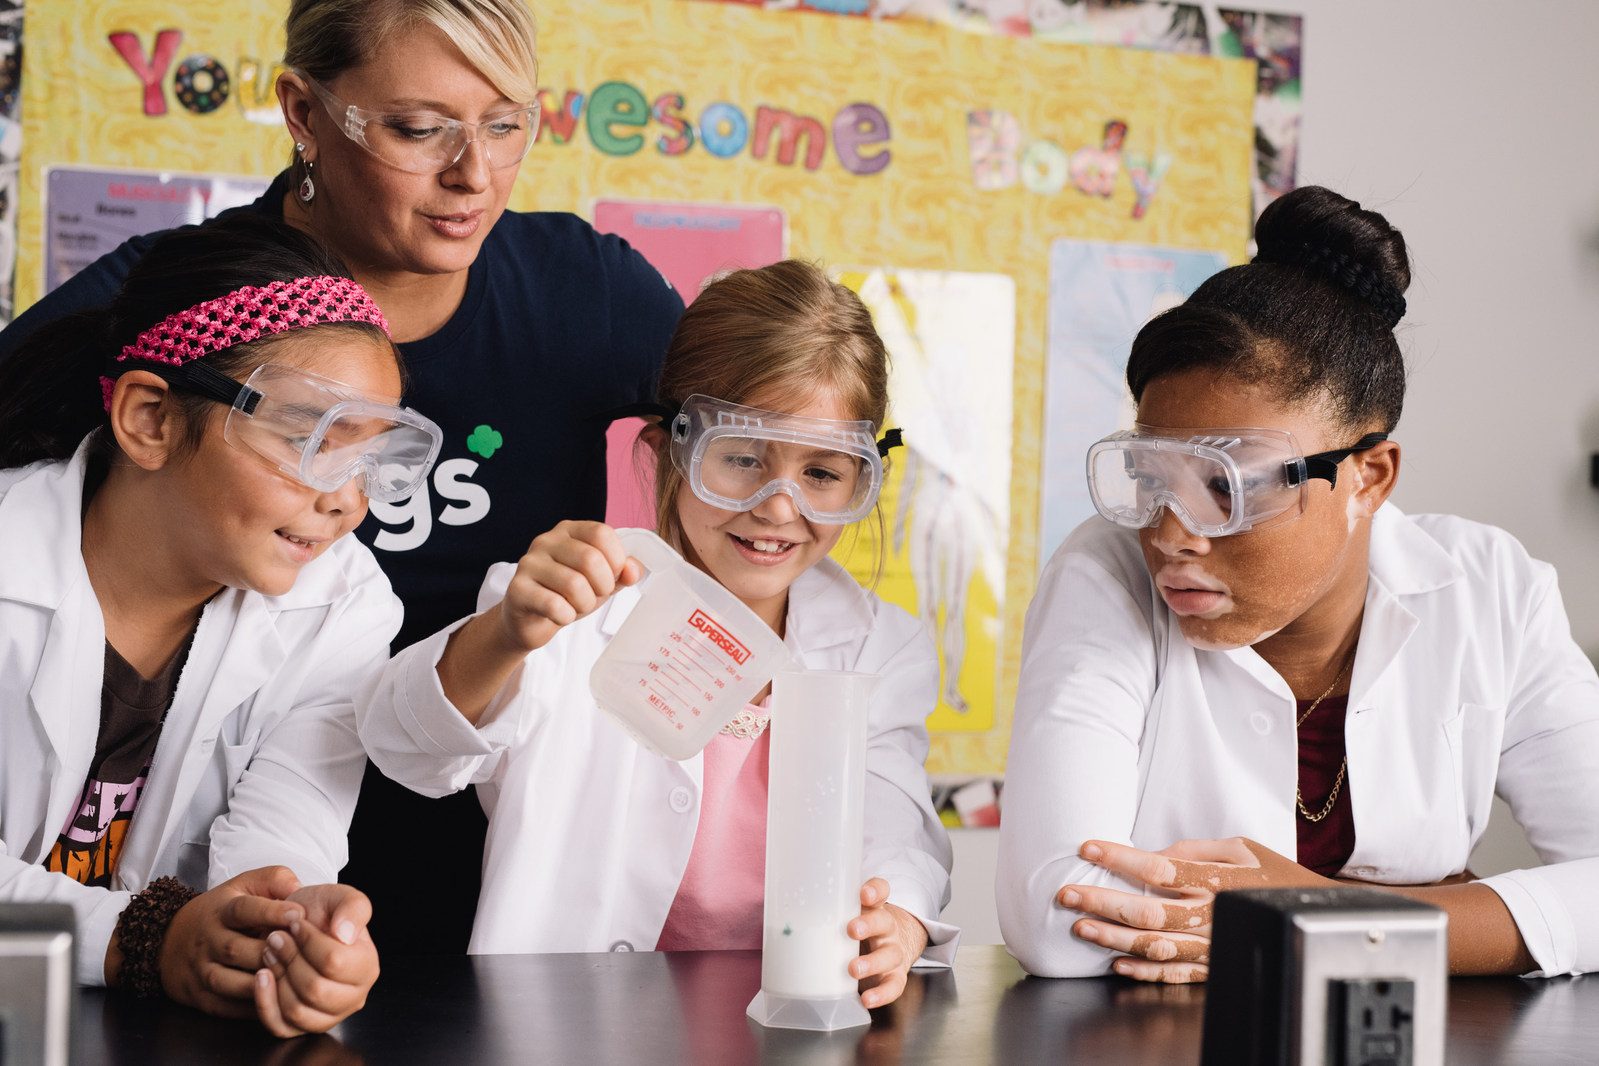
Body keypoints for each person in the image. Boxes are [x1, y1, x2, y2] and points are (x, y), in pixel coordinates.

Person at [0, 0, 685, 952]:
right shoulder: (179, 299)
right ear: (303, 112)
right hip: (190, 858)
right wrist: (158, 941)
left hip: (475, 851)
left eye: (506, 124)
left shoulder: (584, 294)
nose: (472, 174)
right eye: (418, 128)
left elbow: (762, 449)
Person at [997, 186, 1599, 981]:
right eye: (1151, 478)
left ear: (1367, 477)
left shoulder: (1492, 590)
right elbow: (1053, 918)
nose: (1172, 535)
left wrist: (1320, 914)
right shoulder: (1102, 573)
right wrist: (1456, 912)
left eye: (1229, 487)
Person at [357, 261, 957, 1006]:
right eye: (741, 458)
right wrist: (509, 633)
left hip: (786, 1025)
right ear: (670, 447)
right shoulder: (567, 605)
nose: (778, 508)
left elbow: (895, 821)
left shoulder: (877, 644)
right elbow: (403, 745)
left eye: (824, 473)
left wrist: (895, 913)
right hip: (568, 1031)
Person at [0, 214, 436, 1034]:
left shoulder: (342, 605)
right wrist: (144, 941)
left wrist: (295, 938)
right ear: (151, 419)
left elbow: (286, 838)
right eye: (307, 437)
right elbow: (155, 944)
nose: (346, 500)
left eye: (370, 457)